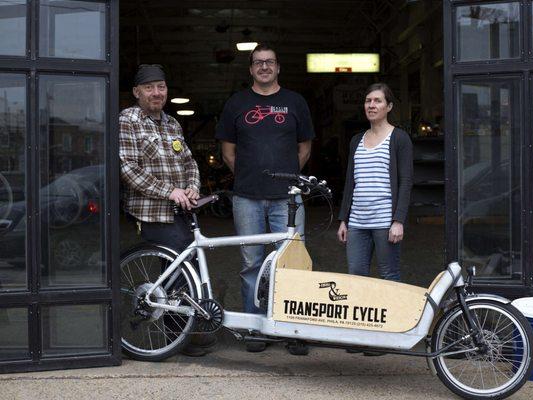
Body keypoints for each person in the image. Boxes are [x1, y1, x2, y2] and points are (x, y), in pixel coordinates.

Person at [215, 43, 315, 353]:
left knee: (292, 264)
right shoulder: (237, 103)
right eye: (258, 63)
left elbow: (305, 147)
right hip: (246, 198)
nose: (264, 67)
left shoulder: (295, 102)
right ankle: (255, 328)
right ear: (251, 69)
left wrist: (285, 178)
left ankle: (293, 329)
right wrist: (250, 175)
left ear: (278, 67)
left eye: (269, 62)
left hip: (287, 199)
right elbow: (228, 151)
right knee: (251, 264)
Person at [119, 64, 214, 357]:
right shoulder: (128, 120)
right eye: (149, 87)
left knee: (186, 270)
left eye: (161, 87)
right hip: (152, 210)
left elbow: (189, 163)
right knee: (181, 272)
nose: (156, 92)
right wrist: (169, 191)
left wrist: (192, 187)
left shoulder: (172, 123)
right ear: (137, 92)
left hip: (180, 209)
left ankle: (182, 332)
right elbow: (127, 167)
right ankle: (177, 335)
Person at [337, 83, 413, 282]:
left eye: (377, 101)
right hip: (357, 222)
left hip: (385, 222)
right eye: (368, 101)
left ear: (388, 107)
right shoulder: (356, 141)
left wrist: (398, 221)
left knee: (389, 276)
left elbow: (406, 181)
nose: (371, 105)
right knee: (355, 277)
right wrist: (344, 219)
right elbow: (350, 183)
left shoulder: (399, 138)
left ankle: (394, 315)